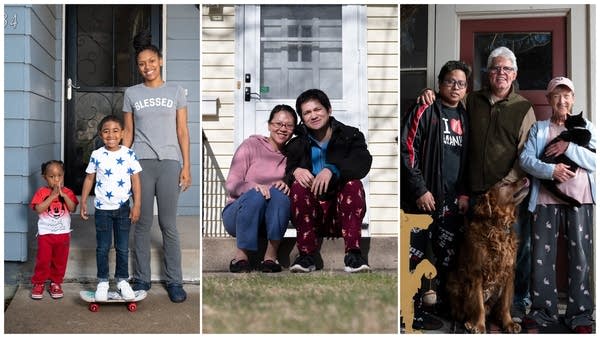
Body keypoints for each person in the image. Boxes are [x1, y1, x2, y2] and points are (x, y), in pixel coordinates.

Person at [418, 46, 537, 321]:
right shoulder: (472, 101)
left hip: (507, 197)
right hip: (473, 198)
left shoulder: (523, 108)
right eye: (495, 68)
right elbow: (449, 98)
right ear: (488, 73)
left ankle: (515, 304)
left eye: (506, 69)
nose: (501, 73)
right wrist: (430, 95)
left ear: (514, 74)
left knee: (515, 255)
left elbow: (525, 154)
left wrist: (503, 187)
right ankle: (469, 308)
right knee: (471, 259)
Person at [519, 77, 595, 333]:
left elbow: (596, 161)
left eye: (566, 96)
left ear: (573, 99)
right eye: (556, 96)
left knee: (581, 257)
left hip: (580, 200)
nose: (562, 101)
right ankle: (543, 313)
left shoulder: (588, 128)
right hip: (545, 200)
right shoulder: (539, 129)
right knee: (542, 257)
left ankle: (581, 315)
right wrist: (552, 171)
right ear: (549, 100)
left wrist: (569, 147)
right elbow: (526, 160)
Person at [401, 60, 471, 328]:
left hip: (451, 202)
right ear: (440, 83)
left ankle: (442, 306)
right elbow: (408, 150)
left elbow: (467, 160)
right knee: (414, 257)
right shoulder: (426, 108)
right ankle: (411, 312)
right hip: (421, 199)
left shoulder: (465, 117)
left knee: (447, 257)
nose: (455, 87)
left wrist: (463, 194)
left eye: (461, 83)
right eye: (451, 81)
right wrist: (419, 190)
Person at [123, 31, 191, 303]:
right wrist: (122, 164)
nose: (147, 67)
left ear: (160, 61)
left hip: (170, 163)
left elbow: (182, 131)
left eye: (151, 61)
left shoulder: (176, 92)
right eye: (141, 64)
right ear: (138, 67)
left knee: (168, 224)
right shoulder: (131, 93)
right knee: (141, 222)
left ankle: (175, 280)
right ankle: (141, 278)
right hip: (140, 163)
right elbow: (128, 132)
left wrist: (186, 166)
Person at [284, 88, 372, 273]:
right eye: (307, 112)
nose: (313, 115)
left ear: (329, 110)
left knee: (353, 185)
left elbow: (362, 163)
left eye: (317, 109)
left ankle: (353, 255)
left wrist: (332, 169)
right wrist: (295, 171)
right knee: (299, 187)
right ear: (302, 118)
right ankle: (306, 256)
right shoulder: (296, 144)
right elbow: (284, 174)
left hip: (342, 214)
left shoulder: (350, 135)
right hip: (312, 216)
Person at [223, 105, 297, 273]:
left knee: (280, 193)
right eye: (278, 123)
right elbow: (232, 184)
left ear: (294, 130)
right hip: (237, 216)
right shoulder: (251, 145)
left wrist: (287, 187)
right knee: (256, 195)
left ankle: (270, 257)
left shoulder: (293, 156)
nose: (282, 129)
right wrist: (255, 187)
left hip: (270, 221)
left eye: (288, 125)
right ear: (269, 125)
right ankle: (241, 257)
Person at [80, 115, 142, 301]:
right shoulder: (97, 155)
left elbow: (136, 181)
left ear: (122, 134)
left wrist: (137, 204)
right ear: (100, 134)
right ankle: (103, 282)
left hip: (123, 209)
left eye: (115, 131)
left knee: (122, 247)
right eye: (106, 131)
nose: (111, 135)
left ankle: (122, 280)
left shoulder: (129, 154)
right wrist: (83, 201)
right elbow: (89, 178)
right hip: (102, 210)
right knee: (103, 247)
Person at [29, 160, 79, 299]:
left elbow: (73, 208)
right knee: (43, 260)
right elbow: (39, 209)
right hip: (46, 235)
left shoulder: (67, 192)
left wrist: (64, 196)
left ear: (63, 176)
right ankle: (38, 283)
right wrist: (52, 197)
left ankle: (56, 283)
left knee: (60, 260)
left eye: (59, 176)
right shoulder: (42, 192)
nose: (56, 179)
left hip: (63, 234)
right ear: (44, 177)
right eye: (52, 176)